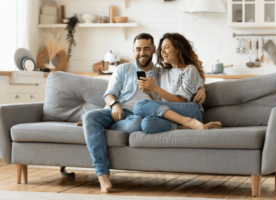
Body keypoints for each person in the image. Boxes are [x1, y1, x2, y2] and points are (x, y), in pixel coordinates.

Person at [82, 33, 206, 193]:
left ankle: (100, 128)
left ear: (153, 50)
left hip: (140, 115)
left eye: (147, 49)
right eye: (138, 49)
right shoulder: (123, 69)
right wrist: (114, 105)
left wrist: (203, 88)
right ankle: (102, 174)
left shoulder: (161, 73)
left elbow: (187, 77)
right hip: (117, 111)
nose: (142, 53)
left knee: (139, 121)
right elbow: (109, 94)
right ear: (133, 50)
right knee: (89, 117)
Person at [134, 33, 222, 134]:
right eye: (161, 48)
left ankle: (188, 121)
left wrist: (155, 88)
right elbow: (161, 103)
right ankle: (191, 126)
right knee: (147, 123)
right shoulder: (162, 73)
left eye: (167, 47)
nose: (162, 52)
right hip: (173, 114)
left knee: (139, 105)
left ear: (178, 49)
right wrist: (150, 92)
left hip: (190, 111)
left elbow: (181, 101)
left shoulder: (189, 69)